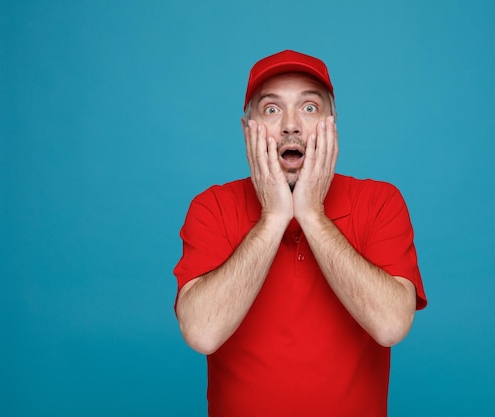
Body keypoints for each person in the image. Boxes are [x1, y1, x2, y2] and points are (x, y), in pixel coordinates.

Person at [174, 50, 427, 417]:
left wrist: (312, 214)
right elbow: (201, 333)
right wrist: (274, 217)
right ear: (247, 129)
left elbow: (391, 325)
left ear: (332, 125)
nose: (291, 126)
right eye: (272, 110)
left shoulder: (381, 202)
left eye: (309, 108)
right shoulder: (211, 206)